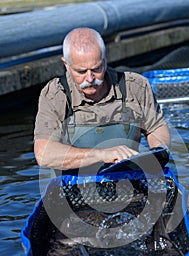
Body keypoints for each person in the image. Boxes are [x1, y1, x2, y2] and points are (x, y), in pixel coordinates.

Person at [34, 27, 170, 173]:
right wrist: (102, 155)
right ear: (66, 65)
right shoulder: (55, 94)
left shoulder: (135, 86)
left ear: (105, 60)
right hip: (74, 185)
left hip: (129, 179)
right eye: (81, 71)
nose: (90, 78)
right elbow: (44, 154)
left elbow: (156, 128)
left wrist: (156, 156)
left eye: (97, 69)